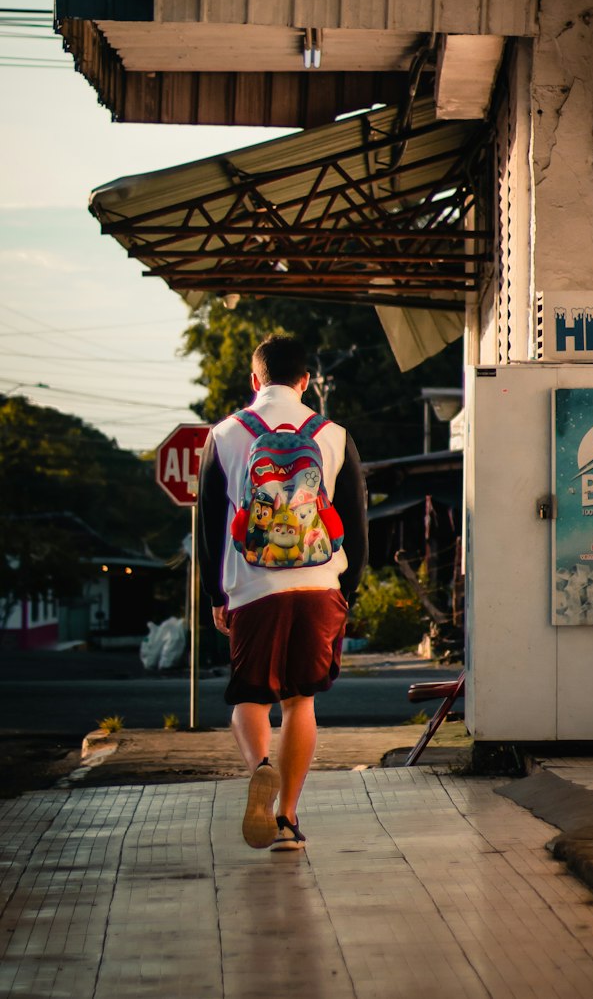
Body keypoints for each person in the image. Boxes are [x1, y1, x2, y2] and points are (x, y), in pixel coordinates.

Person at [197, 333, 367, 852]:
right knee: (301, 703)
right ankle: (288, 821)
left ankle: (261, 768)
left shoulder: (224, 434)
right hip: (319, 586)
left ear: (255, 380)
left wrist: (216, 596)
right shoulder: (334, 433)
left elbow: (208, 525)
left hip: (252, 586)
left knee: (249, 700)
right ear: (306, 380)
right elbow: (357, 525)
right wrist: (347, 592)